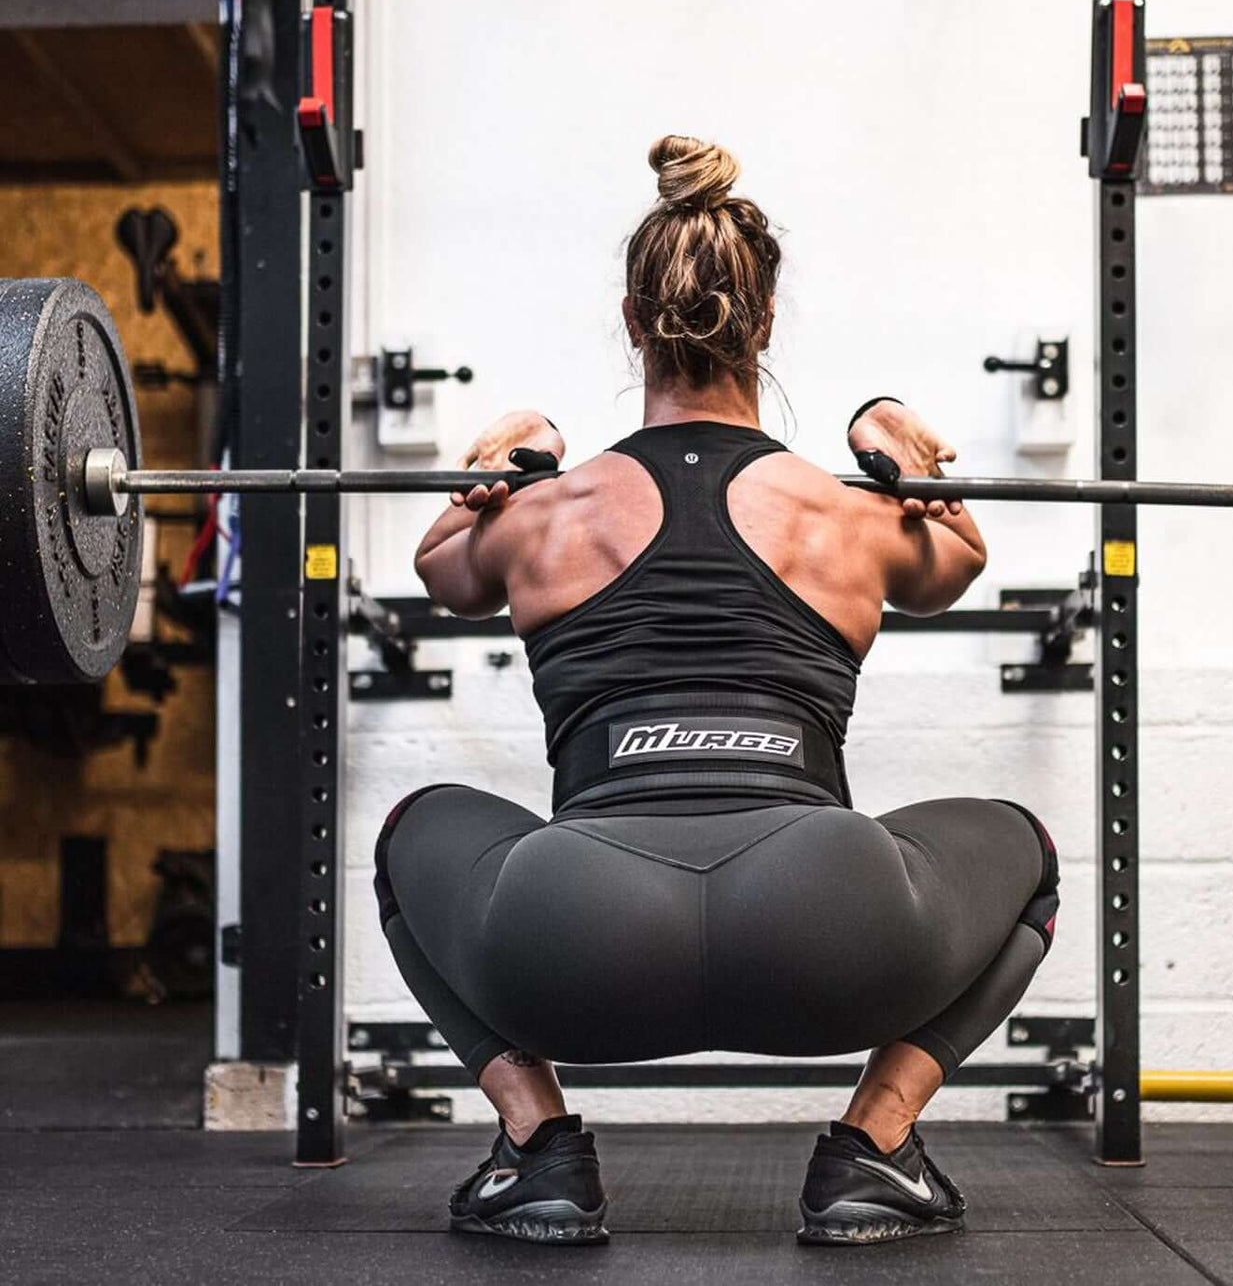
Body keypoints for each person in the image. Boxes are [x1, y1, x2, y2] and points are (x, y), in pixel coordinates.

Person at [377, 135, 1060, 1248]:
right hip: (829, 929)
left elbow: (439, 565)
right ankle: (873, 1149)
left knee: (412, 832)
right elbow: (960, 558)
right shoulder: (844, 514)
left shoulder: (541, 514)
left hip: (574, 938)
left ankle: (539, 1149)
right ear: (767, 320)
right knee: (1022, 848)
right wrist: (886, 430)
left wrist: (513, 443)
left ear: (635, 321)